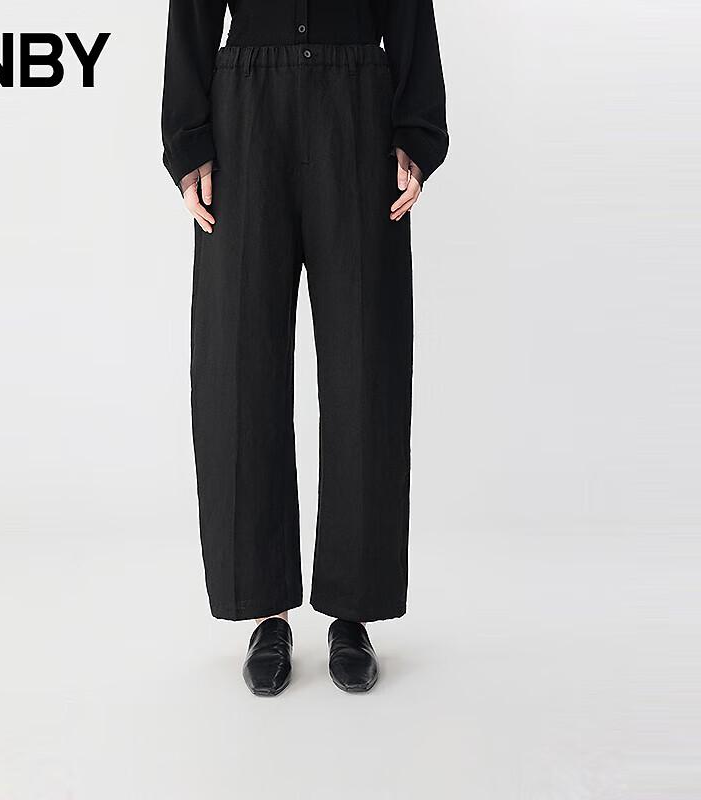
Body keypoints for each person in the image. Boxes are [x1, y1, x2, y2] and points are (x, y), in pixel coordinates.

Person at [161, 0, 448, 696]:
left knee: (366, 364)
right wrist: (189, 141)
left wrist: (416, 130)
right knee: (238, 364)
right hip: (245, 110)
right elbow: (192, 10)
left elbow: (409, 8)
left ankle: (353, 611)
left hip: (358, 105)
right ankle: (267, 612)